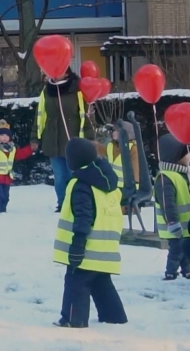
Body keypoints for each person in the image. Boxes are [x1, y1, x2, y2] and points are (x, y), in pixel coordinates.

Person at [53, 138, 127, 329]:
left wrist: (77, 244)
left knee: (75, 281)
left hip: (86, 247)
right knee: (101, 282)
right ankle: (114, 317)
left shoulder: (81, 184)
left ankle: (72, 319)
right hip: (105, 248)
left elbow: (83, 218)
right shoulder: (107, 180)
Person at [31, 67, 93, 212]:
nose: (54, 73)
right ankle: (63, 204)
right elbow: (39, 115)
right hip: (53, 140)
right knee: (59, 176)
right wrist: (35, 137)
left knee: (74, 174)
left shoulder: (77, 89)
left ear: (66, 72)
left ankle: (77, 202)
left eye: (58, 70)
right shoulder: (47, 91)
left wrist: (89, 138)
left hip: (74, 140)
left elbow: (86, 116)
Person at [154, 134, 190, 281]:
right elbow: (168, 203)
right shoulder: (166, 177)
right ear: (176, 156)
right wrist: (172, 222)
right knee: (176, 250)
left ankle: (187, 270)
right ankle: (171, 271)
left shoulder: (185, 174)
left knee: (184, 249)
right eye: (187, 153)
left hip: (185, 224)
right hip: (175, 224)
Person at [0, 119, 33, 215]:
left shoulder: (11, 148)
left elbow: (20, 154)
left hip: (6, 178)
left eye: (7, 136)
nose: (4, 138)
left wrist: (31, 149)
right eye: (2, 135)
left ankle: (2, 210)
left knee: (5, 196)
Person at [96, 122, 140, 190]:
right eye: (114, 130)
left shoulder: (132, 148)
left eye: (117, 131)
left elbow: (136, 169)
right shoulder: (111, 146)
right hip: (111, 185)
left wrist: (136, 188)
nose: (114, 132)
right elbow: (100, 149)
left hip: (125, 188)